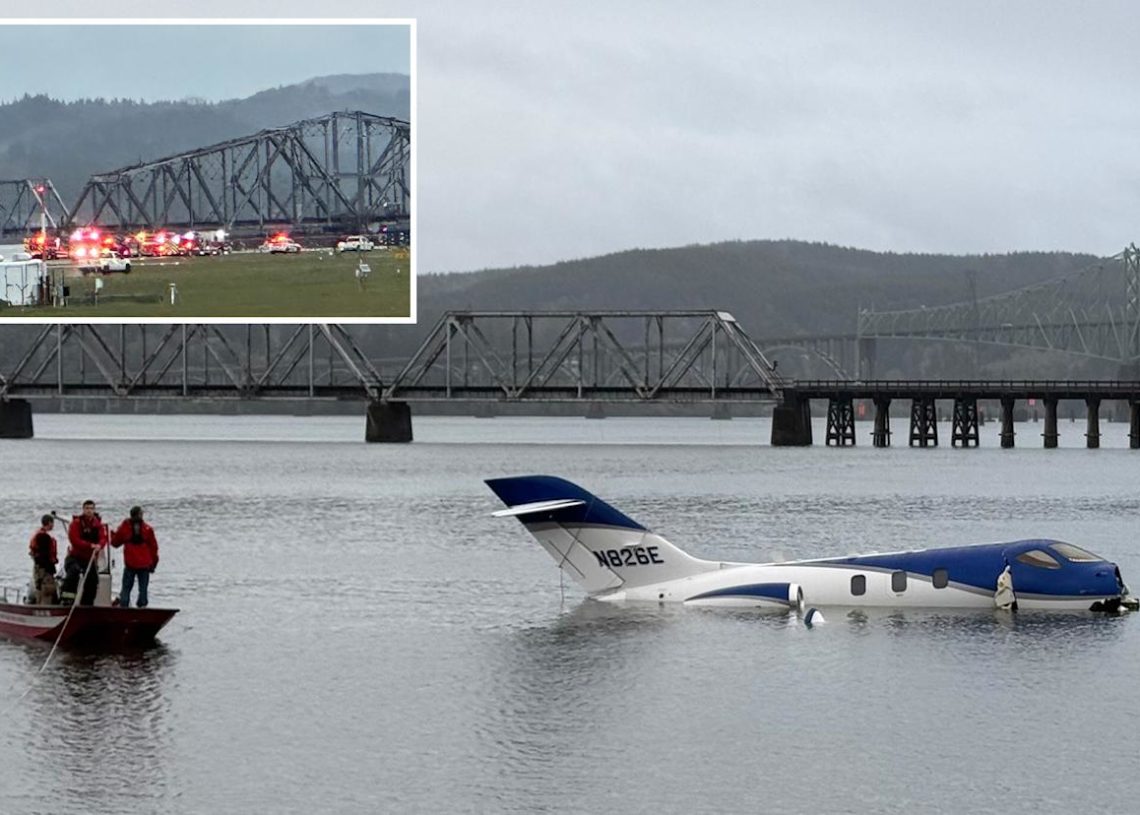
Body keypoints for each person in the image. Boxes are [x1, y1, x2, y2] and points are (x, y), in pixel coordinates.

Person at [111, 505, 159, 608]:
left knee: (126, 587)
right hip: (145, 564)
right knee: (143, 588)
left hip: (130, 563)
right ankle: (142, 605)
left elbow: (115, 543)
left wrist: (111, 534)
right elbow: (154, 548)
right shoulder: (148, 529)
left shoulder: (125, 527)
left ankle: (124, 606)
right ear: (140, 515)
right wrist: (154, 563)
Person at [62, 500, 108, 606]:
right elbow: (74, 539)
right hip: (75, 557)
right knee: (73, 573)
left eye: (91, 508)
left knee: (93, 580)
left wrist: (99, 546)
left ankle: (87, 604)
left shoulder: (98, 525)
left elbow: (103, 538)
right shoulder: (76, 523)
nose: (89, 511)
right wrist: (89, 545)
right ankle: (67, 601)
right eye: (87, 508)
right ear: (83, 509)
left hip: (90, 559)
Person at [28, 514, 59, 605]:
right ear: (49, 523)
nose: (53, 525)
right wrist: (51, 568)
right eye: (52, 523)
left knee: (40, 587)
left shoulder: (39, 534)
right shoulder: (43, 537)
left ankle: (40, 603)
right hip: (44, 568)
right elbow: (44, 555)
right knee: (47, 589)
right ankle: (45, 605)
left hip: (39, 567)